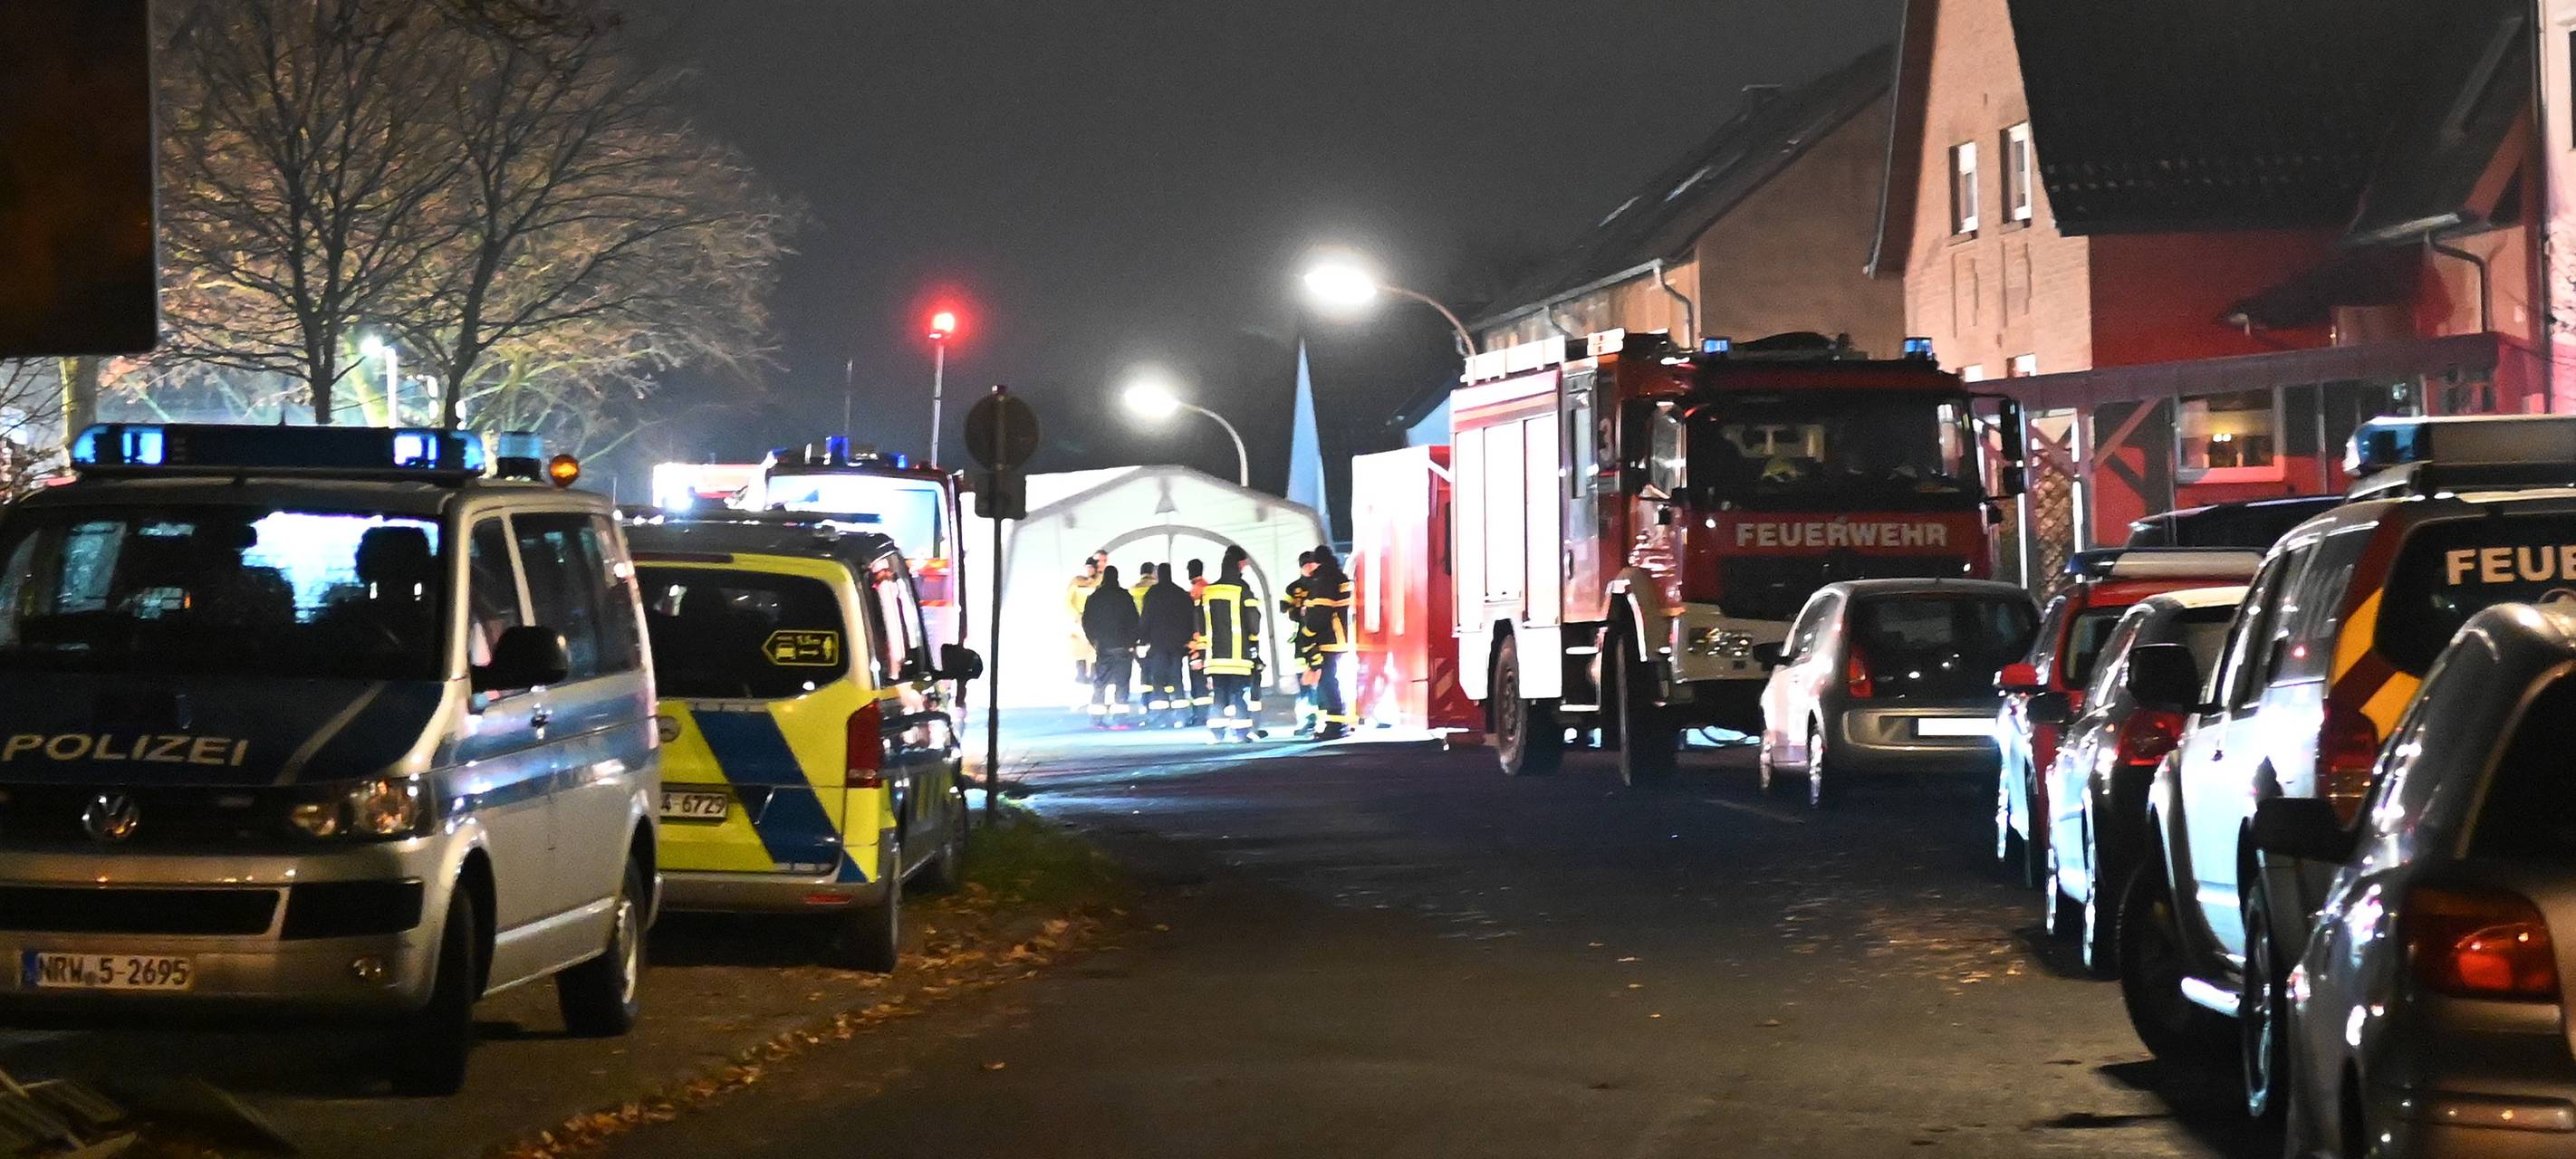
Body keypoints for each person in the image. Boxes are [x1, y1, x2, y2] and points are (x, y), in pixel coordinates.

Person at [1199, 547, 1262, 742]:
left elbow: (1201, 624)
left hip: (1215, 656)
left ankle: (1217, 734)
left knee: (1218, 694)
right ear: (1239, 564)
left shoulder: (1209, 591)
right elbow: (1254, 624)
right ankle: (1241, 733)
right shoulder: (1243, 589)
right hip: (1238, 656)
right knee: (1238, 694)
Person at [1302, 544, 1354, 740]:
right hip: (1338, 636)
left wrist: (1308, 632)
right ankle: (1335, 722)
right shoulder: (1337, 576)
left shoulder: (1323, 580)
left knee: (1327, 681)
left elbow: (1321, 612)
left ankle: (1335, 725)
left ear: (1316, 562)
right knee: (1329, 679)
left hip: (1328, 637)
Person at [1082, 564, 1142, 727]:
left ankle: (1097, 719)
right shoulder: (1124, 596)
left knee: (1100, 682)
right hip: (1123, 646)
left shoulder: (1095, 597)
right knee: (1122, 683)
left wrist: (1094, 641)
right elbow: (1135, 620)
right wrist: (1132, 642)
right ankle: (1119, 720)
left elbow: (1087, 621)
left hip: (1103, 646)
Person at [1139, 562, 1196, 728]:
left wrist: (1142, 639)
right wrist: (1188, 639)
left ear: (1159, 574)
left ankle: (1161, 717)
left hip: (1158, 644)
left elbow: (1146, 618)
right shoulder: (1181, 593)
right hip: (1178, 644)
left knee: (1158, 680)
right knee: (1177, 679)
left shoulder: (1152, 593)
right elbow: (1190, 618)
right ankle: (1182, 716)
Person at [1282, 551, 1318, 735]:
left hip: (1319, 639)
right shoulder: (1294, 588)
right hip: (1300, 642)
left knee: (1320, 681)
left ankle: (1321, 719)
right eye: (1310, 565)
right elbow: (1284, 606)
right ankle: (1305, 721)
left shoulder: (1321, 585)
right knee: (1304, 684)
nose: (1313, 568)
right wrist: (1294, 610)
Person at [1065, 551, 1106, 708]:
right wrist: (1076, 615)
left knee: (1094, 653)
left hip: (1094, 622)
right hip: (1079, 622)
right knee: (1079, 654)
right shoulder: (1077, 582)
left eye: (1092, 567)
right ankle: (1081, 680)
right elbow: (1068, 600)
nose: (1089, 570)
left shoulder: (1100, 581)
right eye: (1088, 567)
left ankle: (1094, 682)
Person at [1184, 558, 1212, 726]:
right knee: (1208, 680)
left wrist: (1192, 644)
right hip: (1210, 644)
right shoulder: (1209, 588)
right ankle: (1208, 712)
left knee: (1198, 681)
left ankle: (1201, 716)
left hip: (1197, 644)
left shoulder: (1195, 591)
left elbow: (1194, 618)